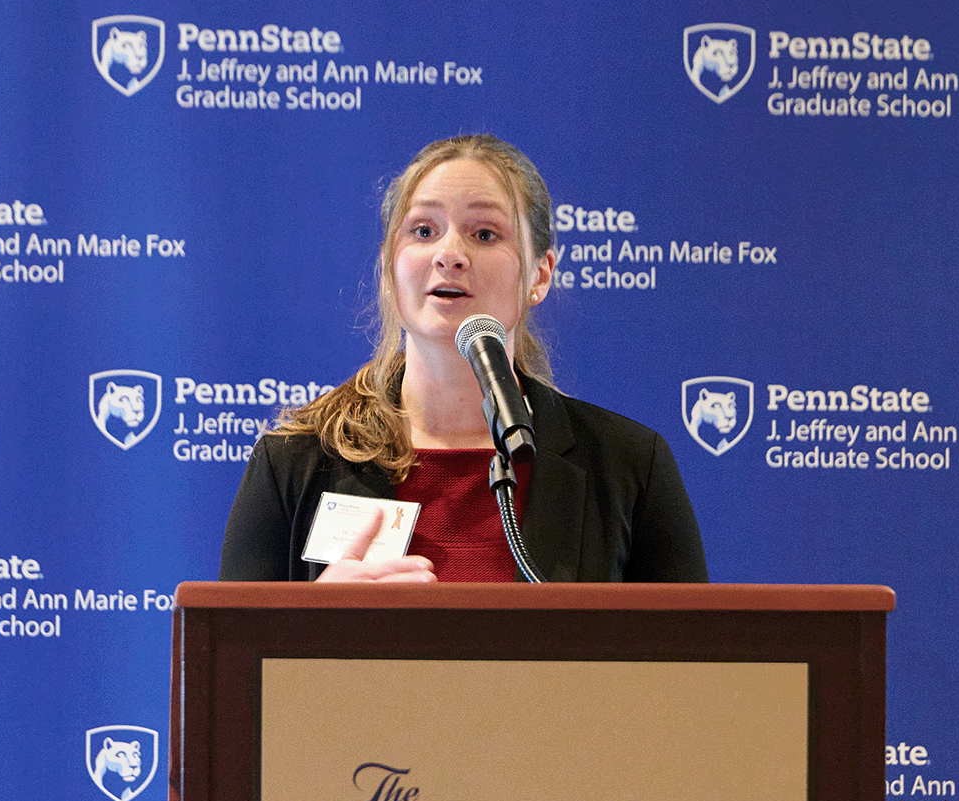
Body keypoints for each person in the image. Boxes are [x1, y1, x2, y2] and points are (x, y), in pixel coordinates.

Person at [218, 134, 707, 583]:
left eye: (485, 234)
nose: (449, 253)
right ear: (390, 267)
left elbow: (691, 668)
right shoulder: (294, 462)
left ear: (540, 274)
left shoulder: (627, 466)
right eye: (424, 231)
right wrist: (311, 631)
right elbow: (235, 666)